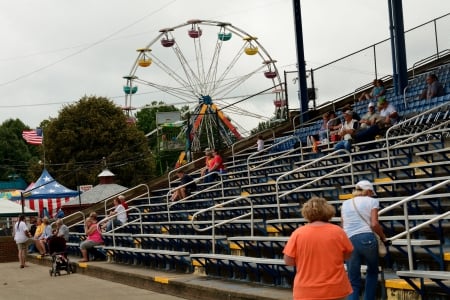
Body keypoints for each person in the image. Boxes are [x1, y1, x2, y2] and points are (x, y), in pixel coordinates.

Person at [283, 197, 353, 300]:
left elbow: (288, 260)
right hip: (335, 288)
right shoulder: (338, 231)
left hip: (306, 289)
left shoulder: (298, 233)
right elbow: (347, 255)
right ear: (328, 211)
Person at [341, 180, 388, 300]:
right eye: (371, 192)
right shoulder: (372, 201)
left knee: (353, 280)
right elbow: (374, 224)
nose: (372, 195)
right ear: (368, 191)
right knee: (372, 271)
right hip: (367, 238)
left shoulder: (345, 204)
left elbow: (343, 226)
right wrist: (383, 238)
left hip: (349, 239)